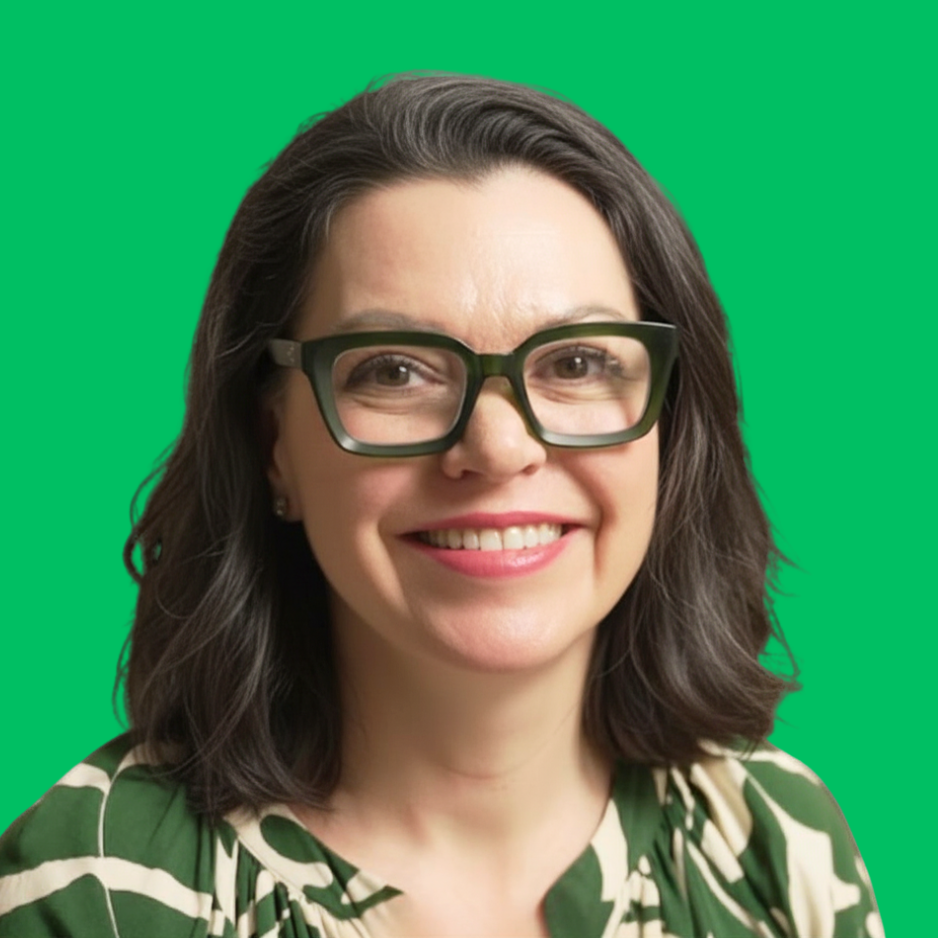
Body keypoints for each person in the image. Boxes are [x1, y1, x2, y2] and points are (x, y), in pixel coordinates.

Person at [0, 73, 884, 938]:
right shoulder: (103, 892)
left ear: (668, 426)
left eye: (577, 363)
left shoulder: (776, 842)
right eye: (395, 371)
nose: (498, 448)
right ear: (275, 446)